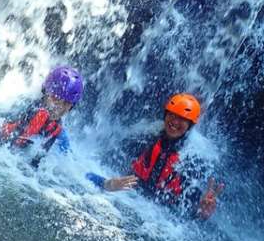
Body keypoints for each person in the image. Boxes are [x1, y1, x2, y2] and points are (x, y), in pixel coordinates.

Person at [86, 93, 224, 220]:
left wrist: (201, 213)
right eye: (172, 115)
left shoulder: (191, 161)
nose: (175, 121)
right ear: (165, 115)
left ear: (190, 126)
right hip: (126, 200)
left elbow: (189, 214)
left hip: (159, 218)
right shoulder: (144, 139)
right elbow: (97, 166)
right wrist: (107, 183)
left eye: (182, 119)